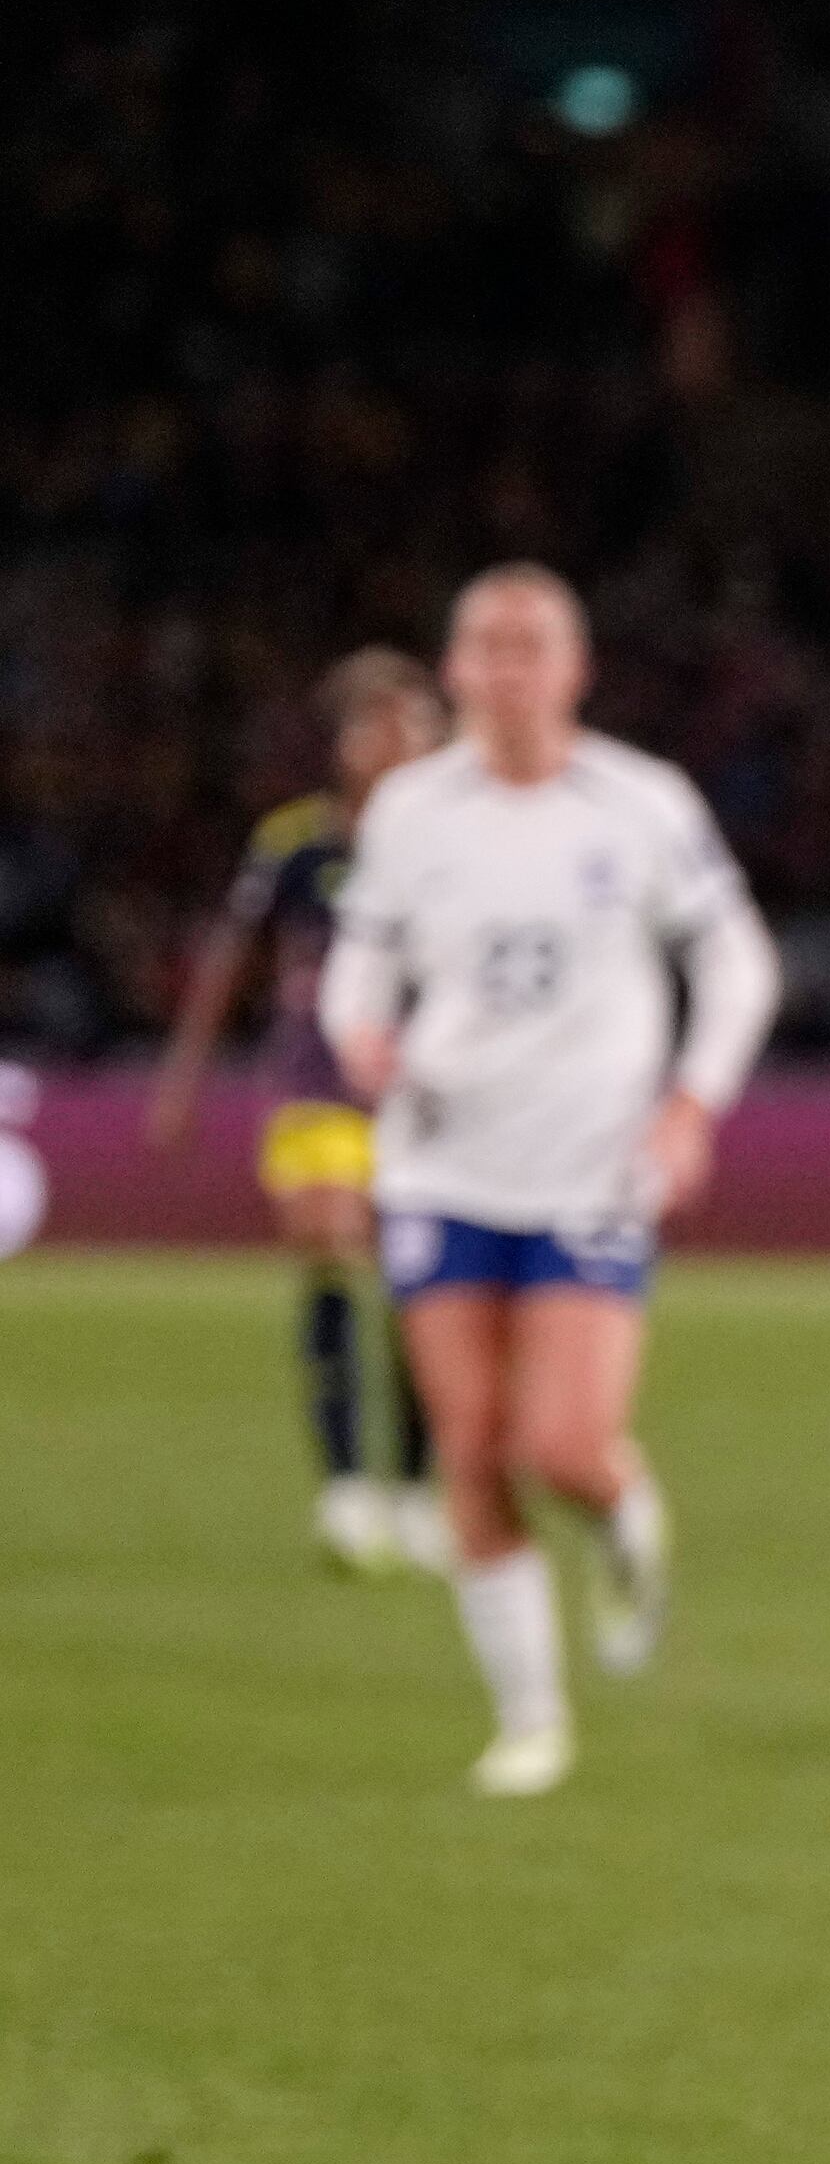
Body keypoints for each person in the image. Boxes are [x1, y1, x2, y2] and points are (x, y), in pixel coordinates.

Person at [323, 565, 780, 1797]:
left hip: (587, 1170)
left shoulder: (640, 804)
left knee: (563, 1446)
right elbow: (355, 970)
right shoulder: (412, 811)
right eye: (487, 644)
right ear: (457, 671)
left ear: (574, 671)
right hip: (440, 1167)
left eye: (534, 645)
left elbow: (737, 965)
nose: (510, 666)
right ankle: (530, 1720)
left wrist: (691, 1107)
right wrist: (361, 1038)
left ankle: (623, 1511)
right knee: (470, 1444)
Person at [144, 648, 453, 1574]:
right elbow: (231, 958)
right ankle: (347, 1488)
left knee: (416, 1296)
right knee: (329, 1247)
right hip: (318, 1090)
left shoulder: (456, 847)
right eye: (375, 723)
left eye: (411, 723)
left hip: (425, 1101)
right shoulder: (295, 843)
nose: (393, 741)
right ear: (344, 743)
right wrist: (183, 1078)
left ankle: (414, 1490)